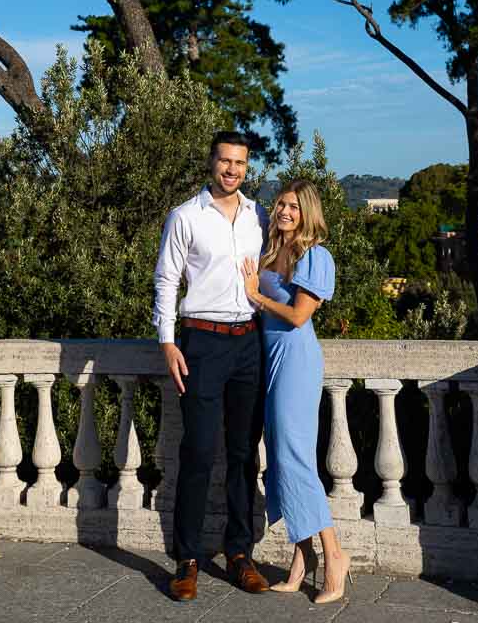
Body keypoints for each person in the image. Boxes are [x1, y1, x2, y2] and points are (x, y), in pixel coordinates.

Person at [153, 130, 270, 602]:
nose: (232, 170)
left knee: (244, 454)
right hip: (201, 342)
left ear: (247, 167)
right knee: (199, 452)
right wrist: (166, 341)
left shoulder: (259, 214)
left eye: (239, 163)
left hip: (249, 343)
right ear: (211, 163)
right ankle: (187, 559)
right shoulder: (184, 217)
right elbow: (166, 279)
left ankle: (239, 553)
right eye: (225, 161)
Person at [240, 178, 352, 603]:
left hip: (296, 361)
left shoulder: (314, 255)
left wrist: (257, 296)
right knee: (282, 461)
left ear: (308, 213)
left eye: (294, 207)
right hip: (269, 360)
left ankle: (334, 555)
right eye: (282, 204)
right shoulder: (271, 251)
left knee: (295, 459)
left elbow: (299, 316)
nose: (285, 212)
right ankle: (302, 558)